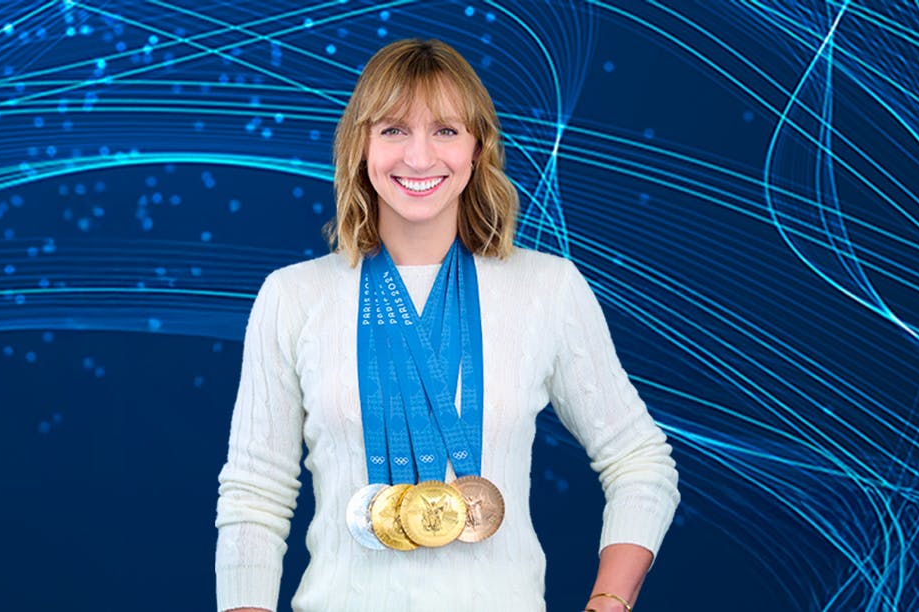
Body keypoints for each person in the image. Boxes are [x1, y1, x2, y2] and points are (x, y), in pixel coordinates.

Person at [214, 38, 679, 612]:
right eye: (392, 130)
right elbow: (253, 498)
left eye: (445, 130)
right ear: (360, 147)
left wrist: (609, 600)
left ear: (478, 147)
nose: (418, 157)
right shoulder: (293, 296)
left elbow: (639, 459)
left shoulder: (547, 288)